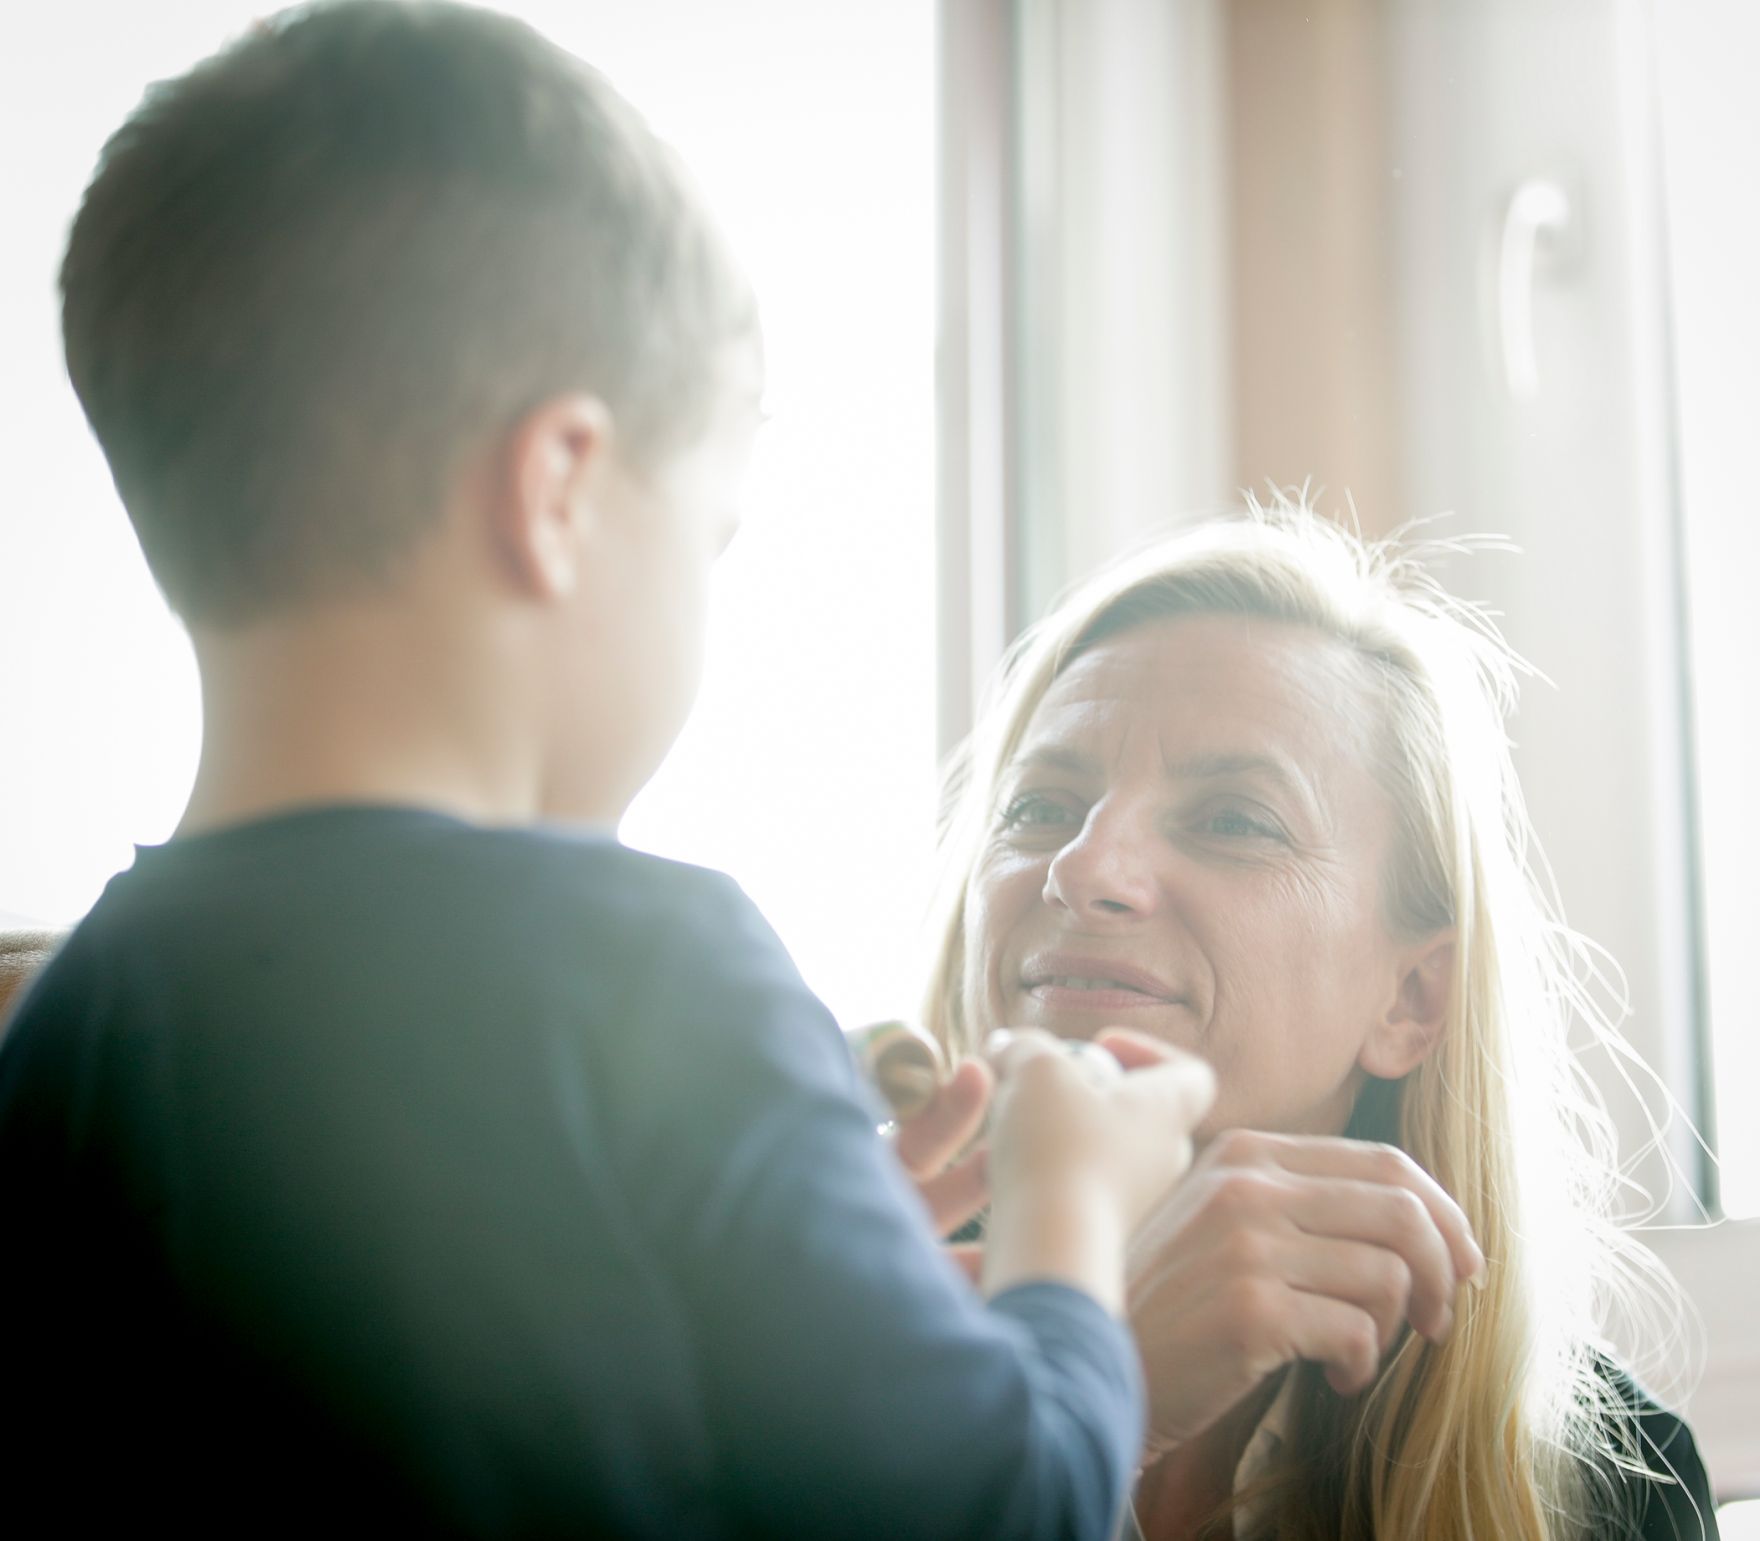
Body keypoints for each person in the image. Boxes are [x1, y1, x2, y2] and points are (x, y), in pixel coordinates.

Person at [0, 4, 1217, 1535]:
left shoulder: (63, 1034)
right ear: (559, 488)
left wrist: (806, 1279)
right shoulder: (653, 975)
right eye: (708, 532)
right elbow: (1002, 1512)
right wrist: (1069, 1220)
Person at [915, 502, 1718, 1540]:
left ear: (1409, 999)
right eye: (1037, 807)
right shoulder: (780, 1350)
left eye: (1233, 819)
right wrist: (1102, 1410)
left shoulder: (1617, 1492)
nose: (1083, 865)